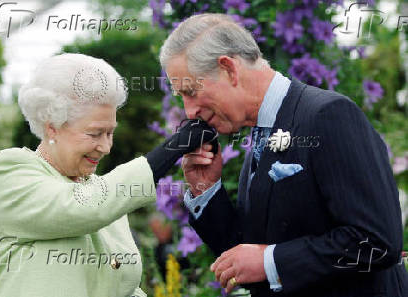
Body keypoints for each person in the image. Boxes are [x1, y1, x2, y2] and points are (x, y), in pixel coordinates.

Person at [159, 13, 408, 297]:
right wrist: (205, 189)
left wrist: (271, 262)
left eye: (190, 91)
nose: (190, 112)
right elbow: (244, 257)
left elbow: (376, 242)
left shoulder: (328, 115)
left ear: (229, 69)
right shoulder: (261, 133)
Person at [0, 53, 217, 297]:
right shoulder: (9, 170)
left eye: (110, 133)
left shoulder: (105, 193)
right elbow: (81, 206)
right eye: (95, 134)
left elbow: (122, 288)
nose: (105, 147)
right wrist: (172, 148)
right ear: (52, 126)